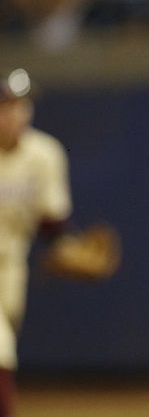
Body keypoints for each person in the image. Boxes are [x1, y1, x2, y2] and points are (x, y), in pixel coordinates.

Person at [0, 68, 73, 417]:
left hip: (12, 269)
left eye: (20, 105)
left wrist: (63, 248)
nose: (14, 114)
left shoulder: (44, 154)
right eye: (4, 106)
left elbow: (51, 222)